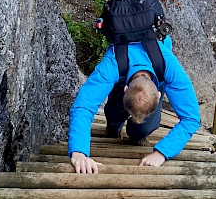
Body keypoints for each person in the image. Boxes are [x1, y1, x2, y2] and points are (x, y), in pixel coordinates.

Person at [68, 35, 201, 173]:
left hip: (150, 71)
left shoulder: (168, 65)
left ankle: (137, 134)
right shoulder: (112, 64)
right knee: (114, 115)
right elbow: (83, 106)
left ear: (159, 95)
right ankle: (113, 127)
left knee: (144, 127)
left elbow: (192, 118)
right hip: (122, 67)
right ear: (125, 90)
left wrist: (162, 153)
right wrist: (79, 152)